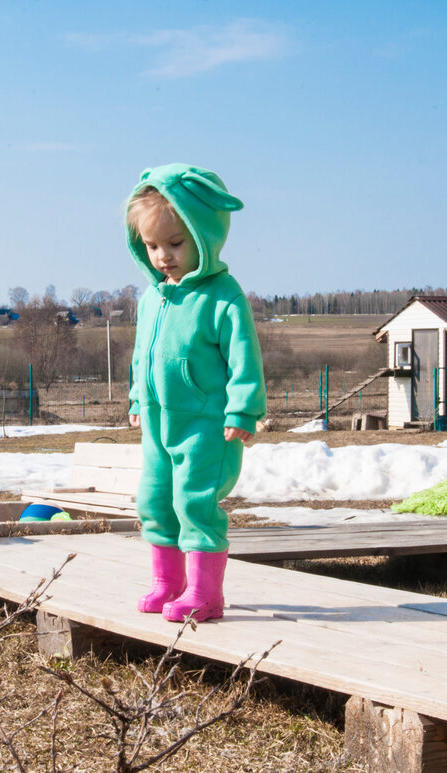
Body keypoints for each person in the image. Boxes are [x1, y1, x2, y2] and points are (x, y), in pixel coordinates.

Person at [124, 163, 267, 622]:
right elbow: (141, 356)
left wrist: (244, 410)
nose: (163, 255)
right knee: (154, 498)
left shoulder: (223, 296)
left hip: (208, 424)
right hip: (158, 420)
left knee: (195, 500)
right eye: (152, 245)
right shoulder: (152, 297)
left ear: (204, 235)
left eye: (176, 243)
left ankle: (206, 594)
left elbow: (245, 357)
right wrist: (134, 400)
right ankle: (169, 582)